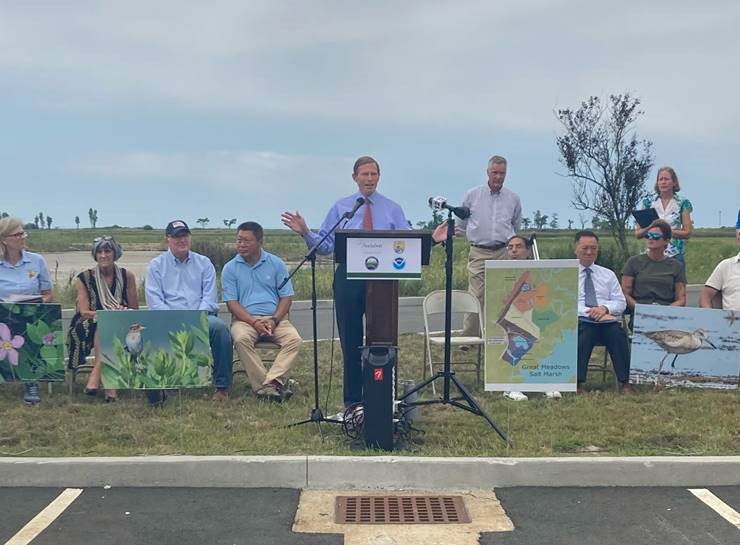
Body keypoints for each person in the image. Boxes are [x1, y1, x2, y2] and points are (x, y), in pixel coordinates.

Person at [281, 156, 410, 413]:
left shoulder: (392, 209)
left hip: (383, 281)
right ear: (355, 177)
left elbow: (408, 244)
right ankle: (353, 402)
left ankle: (383, 398)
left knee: (382, 342)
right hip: (348, 277)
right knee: (350, 342)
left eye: (374, 174)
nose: (369, 179)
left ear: (379, 177)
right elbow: (326, 246)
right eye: (365, 174)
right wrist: (306, 232)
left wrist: (435, 240)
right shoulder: (342, 208)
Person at [145, 220, 233, 403]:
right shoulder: (156, 265)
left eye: (184, 235)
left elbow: (209, 298)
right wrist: (176, 319)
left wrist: (195, 319)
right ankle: (164, 386)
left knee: (220, 329)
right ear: (168, 239)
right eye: (176, 236)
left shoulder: (204, 263)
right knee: (154, 331)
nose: (181, 240)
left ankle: (222, 387)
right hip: (168, 318)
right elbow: (155, 302)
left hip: (200, 317)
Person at [222, 222, 302, 402]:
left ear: (259, 241)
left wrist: (274, 320)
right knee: (241, 339)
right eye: (238, 240)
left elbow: (286, 298)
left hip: (275, 319)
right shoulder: (230, 268)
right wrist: (254, 322)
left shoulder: (276, 264)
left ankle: (272, 383)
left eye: (246, 240)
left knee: (294, 340)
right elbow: (232, 303)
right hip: (244, 321)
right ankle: (267, 386)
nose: (241, 244)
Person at [67, 236, 139, 402]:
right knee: (106, 323)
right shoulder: (83, 278)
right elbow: (84, 312)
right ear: (95, 255)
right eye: (99, 251)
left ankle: (97, 376)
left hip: (122, 322)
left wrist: (122, 311)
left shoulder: (127, 276)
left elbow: (134, 310)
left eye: (108, 251)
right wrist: (106, 314)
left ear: (115, 254)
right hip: (89, 322)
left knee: (111, 324)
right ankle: (110, 389)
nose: (103, 255)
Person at [458, 155, 522, 335]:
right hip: (479, 251)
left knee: (505, 295)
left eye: (502, 173)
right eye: (495, 173)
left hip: (504, 251)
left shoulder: (513, 198)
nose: (498, 177)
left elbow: (515, 225)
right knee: (476, 295)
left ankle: (502, 334)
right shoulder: (472, 196)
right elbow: (461, 225)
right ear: (488, 172)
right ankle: (470, 337)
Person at [499, 235, 562, 401]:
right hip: (507, 316)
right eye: (510, 247)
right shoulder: (498, 271)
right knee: (521, 337)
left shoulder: (539, 271)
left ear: (527, 251)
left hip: (532, 313)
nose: (513, 250)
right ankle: (510, 386)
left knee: (546, 335)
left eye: (518, 247)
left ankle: (543, 382)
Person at [0, 217, 53, 404]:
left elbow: (48, 294)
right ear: (5, 240)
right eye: (18, 234)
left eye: (24, 233)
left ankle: (30, 381)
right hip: (2, 315)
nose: (23, 237)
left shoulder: (37, 261)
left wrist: (39, 302)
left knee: (31, 330)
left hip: (29, 315)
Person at [574, 231, 632, 394]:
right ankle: (577, 383)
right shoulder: (566, 274)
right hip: (581, 321)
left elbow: (621, 302)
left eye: (593, 248)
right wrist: (590, 312)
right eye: (585, 248)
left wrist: (604, 309)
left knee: (618, 334)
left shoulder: (608, 274)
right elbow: (564, 302)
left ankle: (625, 382)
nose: (589, 252)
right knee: (584, 334)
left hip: (607, 321)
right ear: (575, 248)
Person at [622, 219, 687, 310]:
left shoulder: (676, 266)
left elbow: (681, 299)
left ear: (666, 241)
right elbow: (625, 294)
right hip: (640, 311)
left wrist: (665, 311)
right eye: (648, 235)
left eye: (656, 236)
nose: (650, 238)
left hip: (667, 313)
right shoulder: (633, 262)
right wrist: (640, 309)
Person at [635, 166, 693, 262]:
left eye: (666, 179)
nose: (663, 182)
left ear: (674, 182)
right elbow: (638, 233)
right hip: (651, 254)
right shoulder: (648, 202)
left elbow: (687, 233)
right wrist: (651, 227)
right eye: (660, 179)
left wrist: (665, 232)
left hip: (674, 255)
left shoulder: (682, 203)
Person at [699, 210, 740, 310]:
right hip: (731, 323)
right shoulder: (726, 266)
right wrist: (712, 321)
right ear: (738, 238)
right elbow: (705, 297)